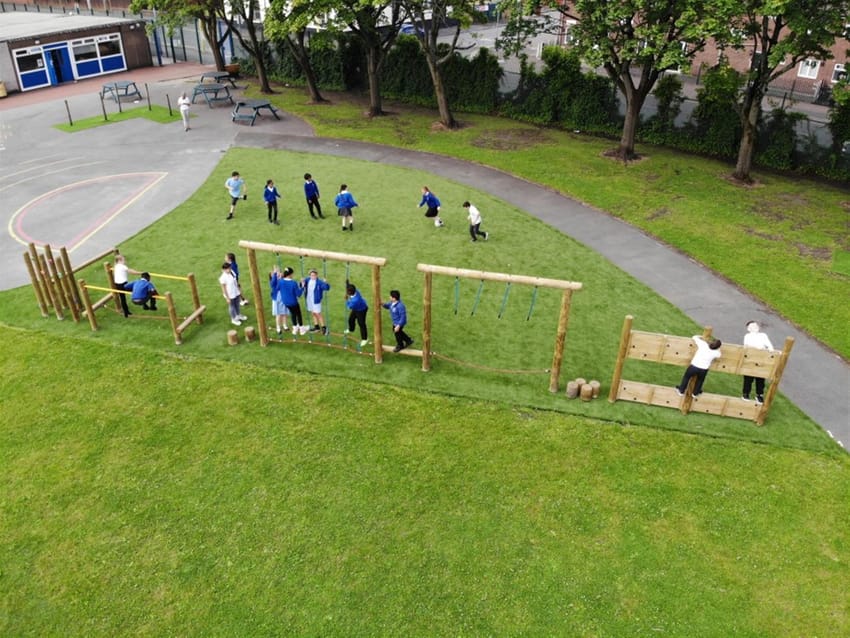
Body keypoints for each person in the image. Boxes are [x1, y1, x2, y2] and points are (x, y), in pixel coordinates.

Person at [742, 320, 775, 404]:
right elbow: (746, 346)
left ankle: (759, 394)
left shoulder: (763, 335)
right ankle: (746, 393)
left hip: (762, 360)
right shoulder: (748, 336)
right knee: (748, 378)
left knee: (760, 379)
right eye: (753, 326)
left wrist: (769, 350)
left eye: (756, 325)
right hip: (751, 359)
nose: (755, 327)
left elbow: (769, 345)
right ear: (748, 329)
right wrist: (758, 349)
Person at [274, 266, 307, 335]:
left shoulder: (281, 281)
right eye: (292, 274)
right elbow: (299, 294)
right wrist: (303, 286)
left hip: (286, 302)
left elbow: (277, 289)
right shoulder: (293, 283)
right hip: (293, 302)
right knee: (298, 314)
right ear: (290, 274)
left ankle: (295, 328)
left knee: (293, 314)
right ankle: (301, 329)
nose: (293, 275)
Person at [302, 269, 331, 334]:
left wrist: (326, 283)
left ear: (316, 275)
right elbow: (302, 285)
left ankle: (324, 328)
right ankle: (316, 327)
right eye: (311, 275)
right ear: (309, 275)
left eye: (314, 275)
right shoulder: (307, 280)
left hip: (316, 300)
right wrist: (302, 282)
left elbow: (327, 288)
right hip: (309, 300)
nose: (313, 276)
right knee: (313, 313)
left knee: (318, 314)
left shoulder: (319, 282)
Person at [219, 262, 247, 326]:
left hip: (235, 291)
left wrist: (239, 291)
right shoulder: (222, 278)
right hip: (229, 294)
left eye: (229, 268)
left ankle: (238, 315)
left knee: (237, 304)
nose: (228, 270)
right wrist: (227, 297)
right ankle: (233, 319)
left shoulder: (232, 272)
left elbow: (235, 282)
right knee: (232, 306)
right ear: (223, 270)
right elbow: (224, 288)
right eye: (227, 269)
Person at [345, 282, 369, 348]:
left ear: (350, 292)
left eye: (347, 291)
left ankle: (365, 339)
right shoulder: (356, 291)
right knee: (351, 319)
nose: (346, 291)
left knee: (361, 323)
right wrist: (347, 284)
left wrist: (346, 300)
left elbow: (349, 307)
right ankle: (351, 329)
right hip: (357, 308)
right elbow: (350, 287)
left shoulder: (355, 300)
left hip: (362, 310)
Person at [268, 266, 290, 335]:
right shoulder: (272, 282)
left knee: (284, 313)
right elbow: (274, 281)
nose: (277, 273)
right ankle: (278, 327)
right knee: (278, 314)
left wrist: (281, 275)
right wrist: (275, 273)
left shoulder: (282, 280)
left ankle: (285, 325)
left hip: (284, 298)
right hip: (277, 300)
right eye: (274, 273)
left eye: (278, 272)